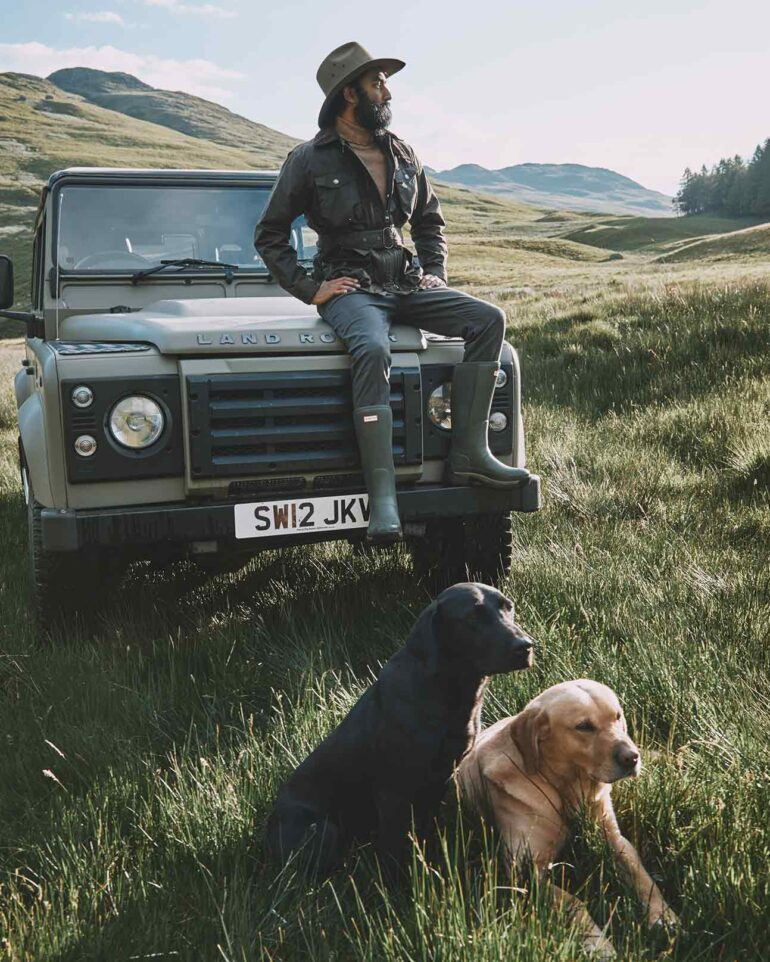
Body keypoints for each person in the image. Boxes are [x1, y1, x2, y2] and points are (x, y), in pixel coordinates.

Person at [254, 41, 528, 545]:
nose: (387, 90)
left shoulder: (402, 151)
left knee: (488, 320)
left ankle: (471, 455)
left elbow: (429, 220)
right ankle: (382, 500)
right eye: (377, 81)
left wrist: (436, 273)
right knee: (373, 347)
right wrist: (313, 290)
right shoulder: (309, 161)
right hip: (351, 288)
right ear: (348, 95)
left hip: (405, 281)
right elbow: (270, 234)